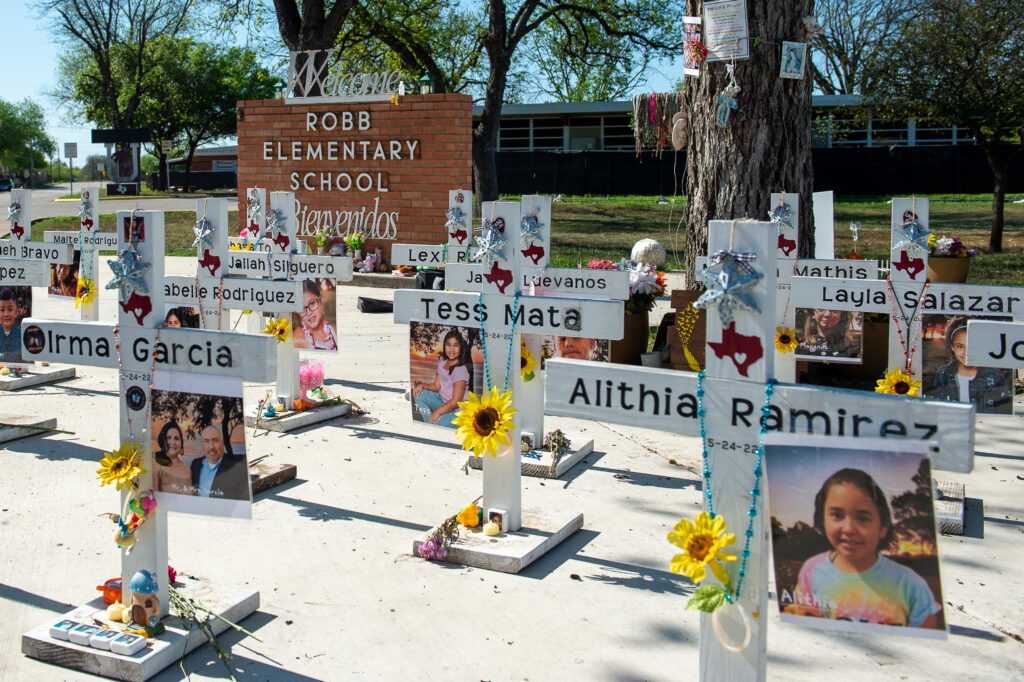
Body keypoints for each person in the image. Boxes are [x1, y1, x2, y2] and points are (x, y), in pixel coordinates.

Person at [786, 468, 940, 628]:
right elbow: (804, 624)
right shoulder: (812, 571)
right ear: (822, 519)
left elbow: (926, 641)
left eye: (862, 518)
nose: (849, 529)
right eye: (837, 515)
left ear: (883, 527)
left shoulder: (910, 584)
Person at [928, 316, 1011, 414]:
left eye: (971, 346)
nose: (966, 352)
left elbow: (1003, 411)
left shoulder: (995, 377)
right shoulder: (942, 374)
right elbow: (937, 408)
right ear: (952, 347)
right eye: (960, 346)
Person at [412, 328, 472, 427]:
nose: (451, 349)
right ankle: (432, 422)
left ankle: (434, 421)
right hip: (443, 402)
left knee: (439, 421)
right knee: (419, 394)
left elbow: (455, 402)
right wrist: (423, 385)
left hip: (458, 411)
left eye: (455, 346)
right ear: (444, 346)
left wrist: (438, 412)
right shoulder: (442, 364)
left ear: (461, 348)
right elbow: (436, 386)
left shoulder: (461, 370)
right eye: (448, 345)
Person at [189, 425, 249, 500]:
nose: (211, 447)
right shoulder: (195, 465)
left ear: (222, 442)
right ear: (202, 444)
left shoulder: (238, 470)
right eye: (206, 441)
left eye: (215, 440)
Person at [294, 279, 337, 351]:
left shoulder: (334, 331)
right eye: (302, 308)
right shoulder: (298, 337)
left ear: (321, 302)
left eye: (312, 303)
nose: (308, 313)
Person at [152, 421, 193, 495]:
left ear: (181, 443)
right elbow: (153, 499)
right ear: (163, 440)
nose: (173, 442)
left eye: (176, 438)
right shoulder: (156, 464)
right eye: (168, 438)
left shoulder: (187, 469)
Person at [0, 287, 23, 363]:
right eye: (2, 310)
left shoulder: (22, 336)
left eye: (10, 310)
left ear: (16, 312)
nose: (6, 314)